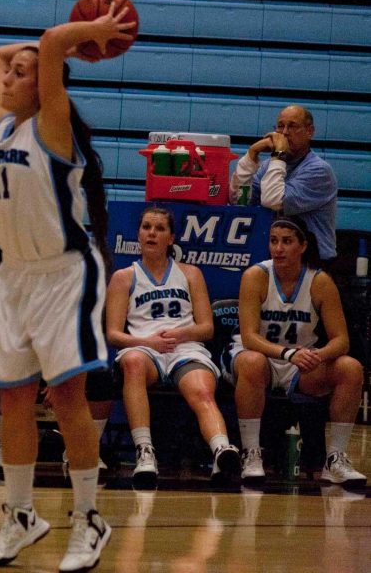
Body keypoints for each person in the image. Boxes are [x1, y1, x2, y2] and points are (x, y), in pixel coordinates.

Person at [0, 4, 134, 572]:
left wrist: (79, 39)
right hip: (14, 277)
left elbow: (47, 43)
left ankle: (89, 518)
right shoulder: (0, 123)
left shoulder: (51, 125)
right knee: (12, 400)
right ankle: (21, 515)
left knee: (67, 396)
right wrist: (52, 46)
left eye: (26, 72)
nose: (10, 76)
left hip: (64, 274)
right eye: (14, 72)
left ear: (46, 84)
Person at [223, 216, 366, 487]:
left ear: (302, 246)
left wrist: (318, 356)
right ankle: (251, 453)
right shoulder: (256, 276)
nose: (278, 248)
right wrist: (288, 353)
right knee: (252, 361)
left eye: (287, 242)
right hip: (258, 356)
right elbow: (250, 337)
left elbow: (341, 340)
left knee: (350, 368)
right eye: (274, 241)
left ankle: (335, 459)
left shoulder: (319, 281)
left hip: (300, 363)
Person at [105, 206, 240, 489]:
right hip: (144, 348)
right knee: (131, 363)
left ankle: (221, 450)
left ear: (171, 238)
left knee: (202, 390)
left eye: (159, 228)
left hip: (185, 347)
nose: (151, 233)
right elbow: (114, 334)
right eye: (146, 227)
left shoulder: (190, 273)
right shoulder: (124, 277)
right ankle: (145, 452)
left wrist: (179, 334)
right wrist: (147, 342)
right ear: (139, 234)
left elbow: (207, 328)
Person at [229, 105, 338, 265]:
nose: (285, 133)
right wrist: (251, 155)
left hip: (313, 262)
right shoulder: (269, 166)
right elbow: (240, 201)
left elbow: (274, 201)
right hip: (276, 258)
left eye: (292, 126)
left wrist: (278, 154)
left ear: (310, 132)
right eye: (280, 126)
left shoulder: (319, 171)